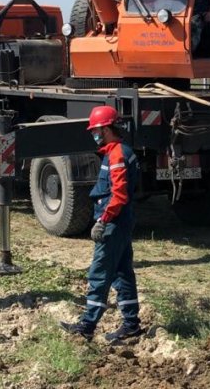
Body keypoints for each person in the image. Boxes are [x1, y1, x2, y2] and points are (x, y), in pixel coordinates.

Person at [60, 106, 141, 342]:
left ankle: (87, 326)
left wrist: (103, 220)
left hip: (113, 223)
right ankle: (131, 325)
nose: (93, 134)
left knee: (99, 273)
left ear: (106, 128)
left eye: (96, 130)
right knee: (122, 273)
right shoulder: (120, 151)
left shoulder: (116, 155)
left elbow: (119, 195)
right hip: (122, 221)